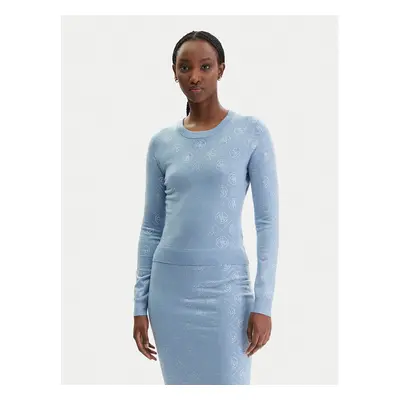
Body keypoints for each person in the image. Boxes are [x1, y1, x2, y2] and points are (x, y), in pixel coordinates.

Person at [132, 30, 279, 385]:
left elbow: (267, 222)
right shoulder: (162, 143)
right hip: (169, 294)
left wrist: (263, 303)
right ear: (174, 72)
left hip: (226, 293)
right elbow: (151, 226)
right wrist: (139, 304)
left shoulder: (250, 133)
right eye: (185, 67)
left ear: (221, 69)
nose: (194, 76)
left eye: (205, 66)